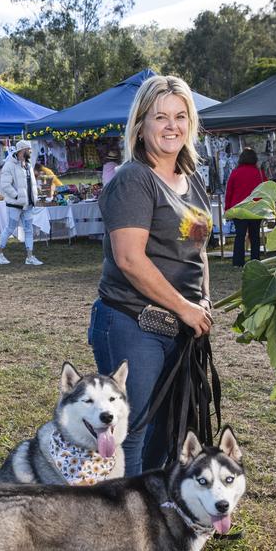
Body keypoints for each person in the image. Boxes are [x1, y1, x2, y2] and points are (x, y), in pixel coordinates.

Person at [87, 74, 213, 477]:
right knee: (132, 432)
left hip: (180, 327)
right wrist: (185, 308)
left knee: (168, 429)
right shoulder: (133, 179)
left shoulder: (191, 179)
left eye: (180, 116)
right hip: (133, 324)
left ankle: (152, 517)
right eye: (160, 117)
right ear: (141, 125)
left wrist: (203, 300)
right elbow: (129, 260)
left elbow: (199, 251)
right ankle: (124, 529)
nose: (171, 125)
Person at [0, 140, 43, 266]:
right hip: (15, 205)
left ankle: (30, 256)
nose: (31, 152)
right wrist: (17, 196)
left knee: (28, 230)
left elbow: (30, 184)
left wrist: (34, 196)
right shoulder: (9, 165)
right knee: (10, 228)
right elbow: (5, 185)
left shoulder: (28, 165)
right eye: (29, 149)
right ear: (22, 150)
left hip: (28, 204)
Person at [224, 147, 267, 267]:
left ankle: (238, 262)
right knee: (255, 236)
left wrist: (227, 209)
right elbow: (265, 191)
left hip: (239, 208)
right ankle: (255, 261)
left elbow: (229, 192)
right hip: (256, 208)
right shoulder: (260, 173)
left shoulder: (235, 172)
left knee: (240, 236)